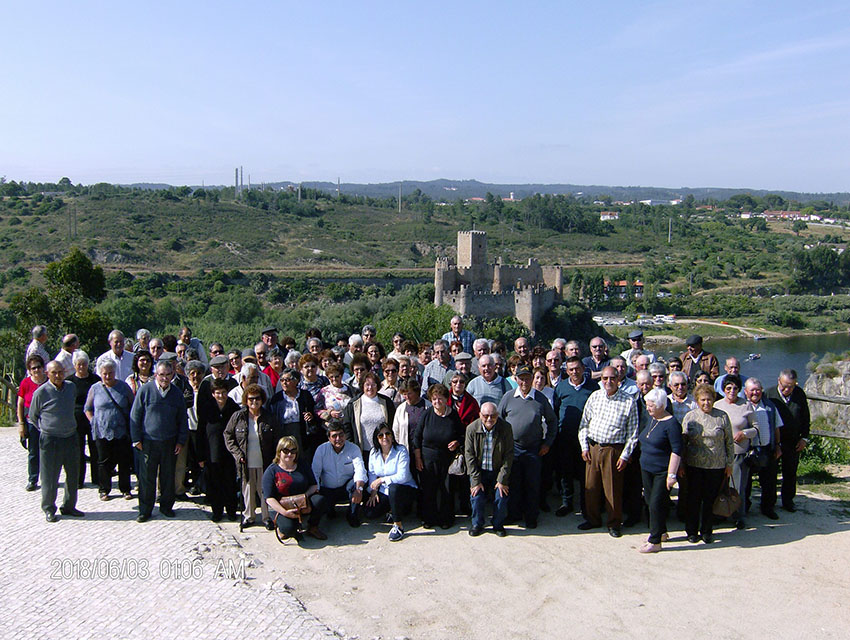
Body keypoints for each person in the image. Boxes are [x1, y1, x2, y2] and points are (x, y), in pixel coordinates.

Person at [577, 365, 640, 537]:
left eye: (612, 378)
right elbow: (584, 424)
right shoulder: (595, 397)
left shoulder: (628, 401)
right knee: (591, 487)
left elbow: (633, 433)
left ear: (619, 379)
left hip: (614, 450)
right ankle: (593, 519)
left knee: (612, 489)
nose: (608, 381)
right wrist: (584, 447)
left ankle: (614, 523)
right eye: (605, 378)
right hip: (593, 447)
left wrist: (625, 455)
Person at [497, 363, 557, 529]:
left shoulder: (539, 398)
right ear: (516, 379)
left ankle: (531, 516)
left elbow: (552, 422)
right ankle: (514, 514)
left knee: (532, 484)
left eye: (527, 378)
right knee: (513, 483)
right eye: (521, 379)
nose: (524, 382)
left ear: (532, 379)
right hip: (512, 449)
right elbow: (499, 421)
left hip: (533, 449)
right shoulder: (508, 397)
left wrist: (547, 443)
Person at [130, 360, 190, 522]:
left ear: (172, 375)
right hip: (148, 442)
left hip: (169, 442)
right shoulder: (145, 390)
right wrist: (136, 439)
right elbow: (135, 416)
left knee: (168, 477)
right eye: (161, 375)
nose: (164, 378)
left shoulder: (177, 393)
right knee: (146, 478)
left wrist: (180, 441)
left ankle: (166, 507)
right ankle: (145, 509)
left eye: (167, 375)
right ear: (156, 374)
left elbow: (182, 419)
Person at [29, 361, 83, 522]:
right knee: (50, 477)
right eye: (54, 373)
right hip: (50, 440)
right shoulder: (41, 392)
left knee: (73, 475)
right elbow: (33, 416)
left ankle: (69, 506)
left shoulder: (71, 387)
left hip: (71, 437)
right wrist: (46, 429)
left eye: (61, 372)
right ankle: (49, 508)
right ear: (47, 374)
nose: (58, 376)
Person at [681, 383, 734, 544]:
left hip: (716, 466)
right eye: (703, 400)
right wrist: (681, 465)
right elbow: (683, 443)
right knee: (693, 499)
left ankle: (707, 531)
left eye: (709, 399)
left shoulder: (722, 416)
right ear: (697, 400)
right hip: (694, 465)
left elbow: (729, 442)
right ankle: (691, 531)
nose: (706, 403)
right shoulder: (690, 417)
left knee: (710, 500)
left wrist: (729, 464)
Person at [224, 384, 279, 529]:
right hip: (245, 461)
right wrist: (237, 453)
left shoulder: (269, 417)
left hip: (265, 461)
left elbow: (277, 438)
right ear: (246, 400)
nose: (254, 402)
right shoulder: (238, 416)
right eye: (251, 399)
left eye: (257, 399)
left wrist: (276, 458)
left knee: (264, 489)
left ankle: (267, 517)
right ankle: (249, 516)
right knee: (248, 489)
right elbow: (228, 435)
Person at [413, 383, 464, 529]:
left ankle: (446, 518)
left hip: (447, 459)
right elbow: (417, 438)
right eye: (434, 399)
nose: (437, 402)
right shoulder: (426, 414)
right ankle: (429, 518)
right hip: (427, 458)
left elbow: (462, 434)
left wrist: (456, 442)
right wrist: (418, 458)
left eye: (440, 399)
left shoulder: (453, 415)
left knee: (447, 489)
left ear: (446, 399)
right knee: (429, 490)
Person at [552, 356, 598, 518]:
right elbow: (556, 410)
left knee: (585, 473)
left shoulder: (593, 387)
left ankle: (586, 504)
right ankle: (567, 502)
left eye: (577, 368)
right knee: (566, 472)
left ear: (583, 369)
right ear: (567, 371)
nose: (575, 372)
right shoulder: (561, 387)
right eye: (571, 369)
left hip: (587, 438)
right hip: (565, 436)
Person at [637, 388, 682, 553]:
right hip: (646, 468)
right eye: (647, 405)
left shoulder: (671, 424)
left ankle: (655, 541)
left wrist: (672, 475)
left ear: (661, 405)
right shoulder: (652, 419)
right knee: (650, 501)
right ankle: (661, 531)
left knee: (656, 503)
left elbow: (676, 450)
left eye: (651, 406)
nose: (648, 408)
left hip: (662, 471)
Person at [84, 359, 134, 501]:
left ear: (115, 372)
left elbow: (133, 405)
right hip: (102, 430)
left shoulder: (124, 387)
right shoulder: (95, 388)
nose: (107, 376)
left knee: (123, 461)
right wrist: (93, 421)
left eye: (110, 373)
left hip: (121, 430)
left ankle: (125, 489)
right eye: (104, 373)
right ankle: (104, 489)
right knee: (103, 461)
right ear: (100, 373)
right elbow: (87, 409)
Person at [714, 374, 758, 529]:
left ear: (739, 390)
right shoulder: (717, 405)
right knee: (720, 485)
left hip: (739, 453)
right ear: (723, 389)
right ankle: (720, 513)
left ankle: (738, 516)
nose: (732, 391)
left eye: (735, 388)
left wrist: (744, 434)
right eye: (728, 388)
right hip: (720, 453)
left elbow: (756, 428)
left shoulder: (746, 405)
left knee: (738, 487)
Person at [264, 436, 327, 541]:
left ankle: (312, 527)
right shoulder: (272, 470)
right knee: (289, 529)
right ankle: (283, 529)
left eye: (293, 451)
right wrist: (284, 512)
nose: (289, 454)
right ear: (279, 452)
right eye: (286, 451)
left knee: (320, 500)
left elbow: (314, 485)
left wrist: (304, 497)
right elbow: (269, 498)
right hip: (281, 505)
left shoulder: (302, 465)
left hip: (301, 502)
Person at [465, 402, 513, 537]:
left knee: (501, 495)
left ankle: (498, 524)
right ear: (480, 415)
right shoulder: (471, 429)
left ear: (497, 415)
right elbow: (469, 456)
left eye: (492, 416)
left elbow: (509, 455)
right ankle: (477, 524)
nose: (489, 419)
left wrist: (502, 479)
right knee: (476, 495)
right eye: (486, 416)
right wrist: (475, 480)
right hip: (480, 470)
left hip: (497, 470)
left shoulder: (506, 428)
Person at [765, 369, 810, 513]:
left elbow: (805, 417)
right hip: (774, 442)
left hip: (793, 442)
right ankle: (768, 505)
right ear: (779, 381)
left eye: (790, 386)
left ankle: (788, 501)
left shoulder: (799, 394)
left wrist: (804, 438)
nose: (786, 389)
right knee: (771, 473)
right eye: (784, 385)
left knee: (790, 472)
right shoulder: (769, 394)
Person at [196, 378, 241, 521]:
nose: (221, 396)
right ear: (213, 394)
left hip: (229, 452)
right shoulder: (207, 408)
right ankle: (217, 511)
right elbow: (200, 432)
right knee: (215, 483)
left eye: (223, 393)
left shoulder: (234, 408)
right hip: (212, 451)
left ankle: (232, 511)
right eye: (217, 393)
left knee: (230, 483)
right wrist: (200, 456)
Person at [364, 425, 418, 541]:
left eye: (388, 434)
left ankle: (398, 525)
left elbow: (403, 476)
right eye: (381, 435)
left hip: (404, 489)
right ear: (376, 439)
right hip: (384, 490)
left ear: (392, 437)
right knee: (369, 513)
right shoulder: (374, 452)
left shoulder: (401, 450)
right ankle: (391, 510)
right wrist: (373, 491)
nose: (385, 437)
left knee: (393, 488)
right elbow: (372, 474)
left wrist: (382, 479)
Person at [311, 422, 367, 528]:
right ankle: (329, 509)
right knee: (327, 511)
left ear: (345, 435)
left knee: (357, 484)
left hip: (346, 488)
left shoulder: (354, 448)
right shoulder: (321, 450)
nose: (338, 439)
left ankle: (352, 514)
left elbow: (360, 470)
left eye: (341, 435)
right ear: (328, 438)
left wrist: (359, 489)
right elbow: (315, 472)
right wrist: (317, 490)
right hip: (327, 490)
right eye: (334, 436)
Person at [743, 378, 783, 520]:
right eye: (752, 390)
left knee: (769, 482)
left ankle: (768, 507)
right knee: (745, 482)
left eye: (758, 389)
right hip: (747, 450)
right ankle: (744, 508)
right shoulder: (742, 406)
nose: (755, 392)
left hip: (767, 448)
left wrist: (778, 446)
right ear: (746, 391)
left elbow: (777, 427)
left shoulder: (770, 406)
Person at [342, 372, 395, 461]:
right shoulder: (353, 404)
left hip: (383, 450)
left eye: (373, 385)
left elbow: (393, 424)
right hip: (362, 452)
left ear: (377, 386)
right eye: (367, 385)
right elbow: (347, 427)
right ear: (362, 386)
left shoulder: (386, 402)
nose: (370, 388)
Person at [270, 368, 319, 457]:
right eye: (282, 380)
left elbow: (314, 413)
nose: (284, 383)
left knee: (302, 457)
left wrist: (311, 417)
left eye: (287, 380)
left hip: (301, 432)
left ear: (296, 381)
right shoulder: (277, 399)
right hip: (284, 431)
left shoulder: (305, 395)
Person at [17, 354, 47, 491]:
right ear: (29, 370)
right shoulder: (26, 383)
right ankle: (32, 479)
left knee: (49, 452)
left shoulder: (49, 381)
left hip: (48, 421)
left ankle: (49, 478)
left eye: (39, 367)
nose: (37, 370)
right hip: (31, 421)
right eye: (33, 368)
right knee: (33, 451)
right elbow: (20, 404)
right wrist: (21, 423)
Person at [392, 378, 428, 452]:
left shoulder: (428, 406)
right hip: (406, 450)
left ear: (417, 392)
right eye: (404, 394)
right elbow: (396, 432)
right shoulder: (400, 409)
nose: (407, 397)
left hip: (424, 450)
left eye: (410, 393)